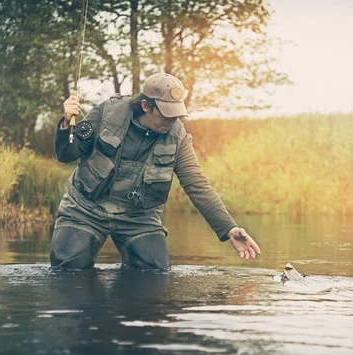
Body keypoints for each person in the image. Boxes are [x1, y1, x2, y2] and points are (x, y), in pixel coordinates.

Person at [50, 72, 261, 270]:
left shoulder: (178, 136)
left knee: (155, 272)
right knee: (69, 270)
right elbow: (66, 155)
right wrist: (67, 122)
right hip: (85, 209)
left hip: (137, 217)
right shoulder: (108, 112)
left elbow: (197, 184)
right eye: (166, 114)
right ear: (145, 106)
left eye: (176, 114)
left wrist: (229, 228)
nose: (171, 121)